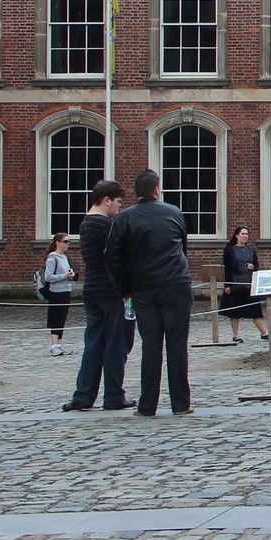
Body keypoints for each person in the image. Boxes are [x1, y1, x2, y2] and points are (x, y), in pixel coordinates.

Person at [106, 169, 195, 416]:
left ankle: (147, 406)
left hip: (143, 288)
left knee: (151, 347)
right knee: (177, 346)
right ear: (157, 189)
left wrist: (124, 288)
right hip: (176, 285)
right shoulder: (174, 212)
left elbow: (113, 256)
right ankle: (181, 403)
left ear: (136, 192)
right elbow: (183, 249)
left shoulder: (124, 218)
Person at [65, 180, 132, 412]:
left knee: (93, 343)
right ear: (107, 200)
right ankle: (114, 395)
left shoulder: (85, 225)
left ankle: (84, 395)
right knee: (116, 345)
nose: (118, 208)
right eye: (118, 203)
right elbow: (116, 259)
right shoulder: (107, 225)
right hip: (111, 290)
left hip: (92, 288)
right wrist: (125, 290)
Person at [221, 223, 267, 342]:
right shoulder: (230, 250)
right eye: (243, 234)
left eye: (247, 234)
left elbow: (257, 265)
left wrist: (253, 266)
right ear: (237, 235)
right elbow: (227, 268)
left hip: (249, 283)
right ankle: (236, 335)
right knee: (235, 311)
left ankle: (264, 333)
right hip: (236, 283)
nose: (245, 236)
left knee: (255, 310)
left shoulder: (251, 250)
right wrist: (227, 285)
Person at [42, 233, 76, 355]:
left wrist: (71, 276)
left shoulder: (65, 258)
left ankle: (59, 344)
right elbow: (48, 277)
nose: (68, 244)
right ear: (57, 242)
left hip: (66, 290)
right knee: (56, 318)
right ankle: (54, 345)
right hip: (56, 292)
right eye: (65, 241)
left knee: (62, 318)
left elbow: (68, 273)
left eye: (68, 242)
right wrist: (64, 276)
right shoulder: (52, 258)